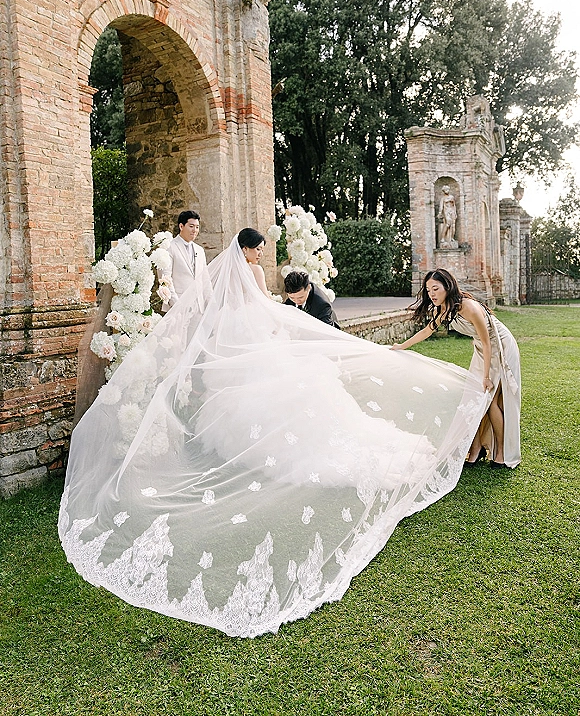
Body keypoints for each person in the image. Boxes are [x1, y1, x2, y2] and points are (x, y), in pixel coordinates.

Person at [59, 231, 491, 638]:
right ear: (247, 252)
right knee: (297, 395)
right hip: (260, 341)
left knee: (264, 401)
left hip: (248, 343)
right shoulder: (251, 273)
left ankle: (258, 447)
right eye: (259, 249)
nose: (262, 255)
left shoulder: (229, 275)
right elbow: (263, 307)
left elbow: (231, 311)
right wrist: (280, 317)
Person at [392, 268, 521, 469]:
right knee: (475, 399)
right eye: (428, 290)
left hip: (500, 346)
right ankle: (476, 449)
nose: (431, 294)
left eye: (435, 288)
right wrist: (401, 346)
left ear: (448, 286)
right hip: (482, 348)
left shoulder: (469, 307)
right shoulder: (442, 310)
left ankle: (502, 454)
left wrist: (486, 377)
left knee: (490, 399)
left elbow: (489, 343)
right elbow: (427, 331)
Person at [162, 210, 207, 312]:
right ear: (181, 226)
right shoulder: (170, 247)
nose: (194, 230)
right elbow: (166, 279)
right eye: (191, 226)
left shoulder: (200, 250)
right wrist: (177, 306)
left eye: (197, 227)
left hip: (199, 307)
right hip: (178, 306)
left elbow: (205, 280)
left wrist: (210, 304)